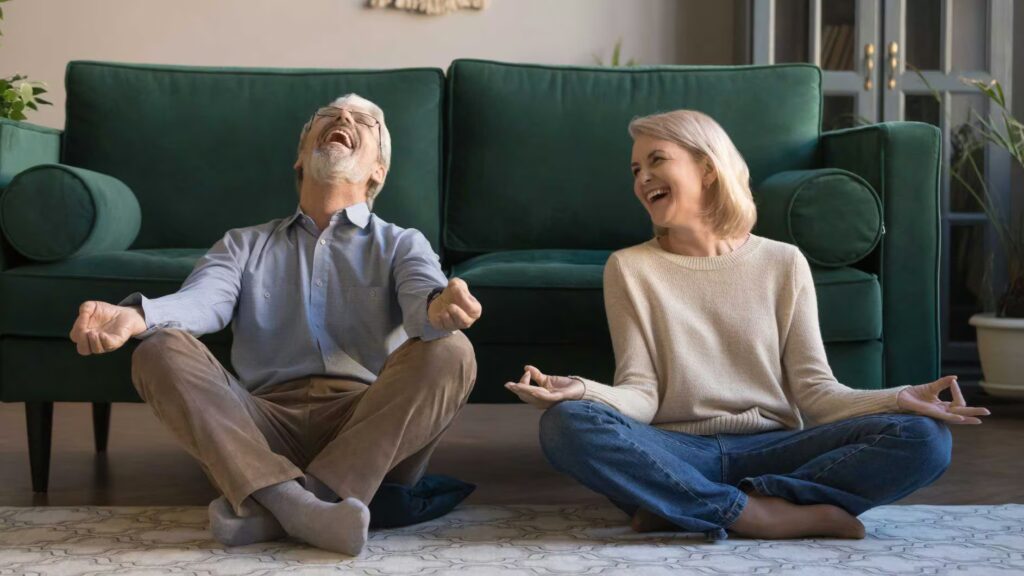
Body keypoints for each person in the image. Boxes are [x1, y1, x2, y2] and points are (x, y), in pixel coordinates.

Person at [505, 109, 989, 541]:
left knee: (925, 438)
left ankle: (682, 506)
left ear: (708, 169)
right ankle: (761, 516)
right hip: (675, 449)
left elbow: (816, 392)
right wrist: (582, 391)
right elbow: (642, 393)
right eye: (636, 169)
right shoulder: (630, 267)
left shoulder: (783, 262)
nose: (642, 178)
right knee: (566, 424)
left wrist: (897, 397)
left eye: (657, 160)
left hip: (775, 446)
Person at [69, 94, 481, 555]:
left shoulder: (402, 243)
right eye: (329, 115)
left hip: (367, 429)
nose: (344, 117)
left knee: (452, 350)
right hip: (259, 428)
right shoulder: (243, 244)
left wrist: (440, 305)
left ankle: (275, 505)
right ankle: (305, 510)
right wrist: (137, 315)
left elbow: (423, 297)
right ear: (300, 156)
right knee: (157, 349)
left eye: (364, 120)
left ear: (378, 171)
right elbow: (202, 302)